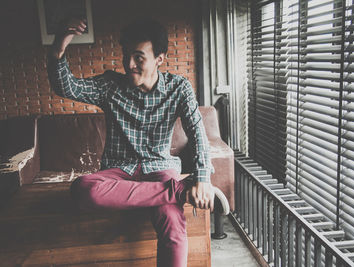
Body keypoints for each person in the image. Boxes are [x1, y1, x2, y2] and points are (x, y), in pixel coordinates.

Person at [47, 18, 229, 267]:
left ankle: (174, 190)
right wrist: (59, 45)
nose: (129, 64)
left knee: (173, 223)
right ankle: (178, 190)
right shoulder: (110, 86)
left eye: (138, 57)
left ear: (159, 59)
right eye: (126, 56)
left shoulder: (179, 88)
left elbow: (197, 132)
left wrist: (203, 178)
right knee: (83, 190)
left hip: (160, 169)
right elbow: (67, 87)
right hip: (118, 170)